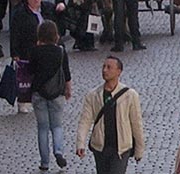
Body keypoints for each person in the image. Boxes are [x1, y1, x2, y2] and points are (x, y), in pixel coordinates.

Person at [77, 57, 148, 174]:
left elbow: (136, 123)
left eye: (109, 67)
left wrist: (139, 149)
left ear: (119, 71)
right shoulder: (93, 95)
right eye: (104, 67)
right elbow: (85, 121)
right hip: (100, 147)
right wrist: (80, 143)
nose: (105, 70)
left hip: (121, 148)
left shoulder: (130, 95)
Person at [25, 24, 74, 170]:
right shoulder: (60, 51)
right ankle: (58, 151)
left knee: (43, 128)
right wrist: (68, 89)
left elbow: (30, 71)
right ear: (55, 35)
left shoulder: (34, 51)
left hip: (39, 92)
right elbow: (66, 73)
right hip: (57, 92)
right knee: (57, 126)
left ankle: (44, 162)